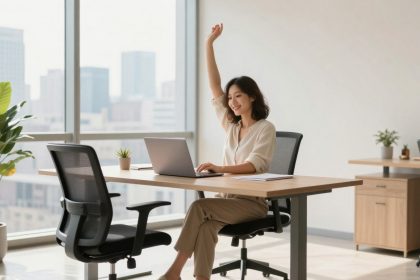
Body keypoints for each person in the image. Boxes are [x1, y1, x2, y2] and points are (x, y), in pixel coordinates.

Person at [159, 23, 276, 280]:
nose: (232, 102)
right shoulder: (232, 126)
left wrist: (220, 168)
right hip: (228, 200)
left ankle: (174, 272)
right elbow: (215, 87)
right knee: (206, 227)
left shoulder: (265, 128)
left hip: (252, 204)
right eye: (231, 98)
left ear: (252, 97)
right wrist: (208, 44)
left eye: (238, 97)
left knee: (200, 207)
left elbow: (255, 165)